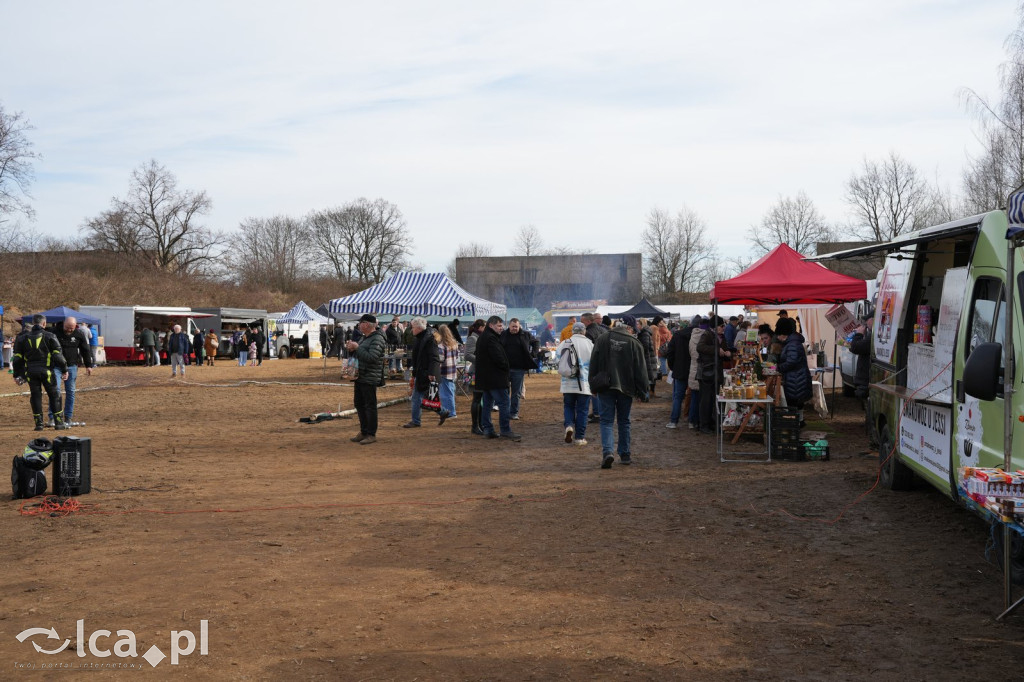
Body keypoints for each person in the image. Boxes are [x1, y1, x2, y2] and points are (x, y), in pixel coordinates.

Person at [588, 315, 648, 468]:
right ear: (629, 327)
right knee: (624, 421)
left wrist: (592, 385)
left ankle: (608, 452)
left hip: (604, 386)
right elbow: (641, 370)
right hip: (626, 387)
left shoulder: (602, 338)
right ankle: (625, 454)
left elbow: (593, 363)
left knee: (606, 421)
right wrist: (643, 392)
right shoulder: (634, 343)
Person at [12, 314, 68, 431]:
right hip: (47, 371)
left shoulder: (22, 338)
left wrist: (17, 375)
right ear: (44, 323)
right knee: (54, 395)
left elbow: (17, 359)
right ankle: (59, 423)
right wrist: (64, 369)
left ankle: (39, 424)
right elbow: (58, 356)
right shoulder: (50, 336)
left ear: (33, 323)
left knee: (35, 396)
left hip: (31, 373)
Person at [475, 315, 521, 441]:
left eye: (502, 325)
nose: (502, 328)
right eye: (499, 326)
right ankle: (505, 430)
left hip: (487, 379)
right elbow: (498, 358)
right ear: (491, 325)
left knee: (488, 405)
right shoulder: (491, 339)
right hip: (495, 378)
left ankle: (488, 429)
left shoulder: (484, 337)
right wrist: (506, 367)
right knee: (504, 403)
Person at [345, 314, 387, 445]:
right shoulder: (365, 338)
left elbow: (372, 358)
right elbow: (360, 354)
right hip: (360, 375)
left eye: (361, 323)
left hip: (369, 377)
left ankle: (371, 434)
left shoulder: (378, 339)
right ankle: (363, 431)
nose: (359, 325)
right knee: (359, 404)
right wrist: (352, 350)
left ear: (367, 324)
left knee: (369, 406)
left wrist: (357, 348)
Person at [403, 317, 446, 428]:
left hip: (426, 373)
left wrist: (431, 373)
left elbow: (434, 358)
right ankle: (442, 412)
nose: (411, 329)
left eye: (412, 327)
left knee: (418, 397)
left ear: (418, 328)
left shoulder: (429, 339)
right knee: (426, 397)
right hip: (423, 372)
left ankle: (416, 421)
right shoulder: (422, 337)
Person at [52, 316, 95, 427]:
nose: (70, 330)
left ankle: (68, 417)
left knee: (70, 392)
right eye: (67, 327)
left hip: (71, 366)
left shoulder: (79, 334)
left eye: (72, 328)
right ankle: (53, 417)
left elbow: (85, 350)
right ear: (64, 324)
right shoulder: (54, 332)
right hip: (56, 366)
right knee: (55, 391)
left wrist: (88, 365)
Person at [557, 322, 593, 446]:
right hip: (584, 384)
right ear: (584, 331)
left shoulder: (565, 343)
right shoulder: (589, 344)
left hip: (567, 382)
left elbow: (557, 359)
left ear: (572, 331)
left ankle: (569, 426)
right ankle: (580, 438)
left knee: (568, 406)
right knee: (583, 410)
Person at [696, 315, 731, 434]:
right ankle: (704, 425)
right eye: (722, 326)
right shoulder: (706, 334)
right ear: (715, 326)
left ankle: (712, 423)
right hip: (706, 373)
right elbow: (700, 347)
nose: (723, 328)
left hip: (716, 372)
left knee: (714, 399)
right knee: (705, 400)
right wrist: (717, 350)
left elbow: (723, 351)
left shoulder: (721, 337)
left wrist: (727, 353)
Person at [665, 315, 699, 429]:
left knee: (678, 397)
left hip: (680, 369)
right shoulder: (699, 336)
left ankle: (674, 421)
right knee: (694, 395)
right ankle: (692, 422)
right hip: (694, 370)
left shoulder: (678, 335)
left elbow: (670, 352)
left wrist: (673, 367)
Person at [776, 317, 812, 421]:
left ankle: (796, 424)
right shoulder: (793, 342)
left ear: (783, 334)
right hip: (797, 378)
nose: (778, 337)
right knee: (796, 404)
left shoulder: (792, 344)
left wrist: (779, 367)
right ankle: (799, 422)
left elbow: (792, 361)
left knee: (793, 403)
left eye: (779, 334)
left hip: (796, 379)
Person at [500, 318, 534, 421]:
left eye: (516, 326)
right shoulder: (503, 334)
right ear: (509, 326)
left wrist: (533, 354)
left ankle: (514, 413)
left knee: (516, 393)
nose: (515, 328)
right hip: (505, 368)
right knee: (504, 392)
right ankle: (505, 412)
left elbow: (536, 342)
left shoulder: (525, 334)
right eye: (513, 326)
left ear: (519, 326)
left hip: (519, 369)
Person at [464, 319, 487, 435]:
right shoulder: (473, 339)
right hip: (475, 373)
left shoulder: (480, 338)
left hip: (481, 372)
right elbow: (467, 355)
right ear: (480, 327)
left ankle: (480, 424)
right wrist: (483, 360)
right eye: (485, 327)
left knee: (481, 399)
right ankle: (475, 426)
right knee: (477, 399)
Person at [437, 324, 459, 418]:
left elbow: (440, 360)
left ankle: (450, 413)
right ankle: (450, 412)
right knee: (450, 392)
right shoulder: (454, 343)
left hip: (444, 371)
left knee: (445, 394)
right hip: (453, 371)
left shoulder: (441, 346)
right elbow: (457, 357)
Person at [636, 319, 658, 398]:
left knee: (646, 377)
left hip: (647, 358)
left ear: (642, 325)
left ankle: (645, 396)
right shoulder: (644, 333)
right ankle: (646, 395)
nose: (636, 326)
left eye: (638, 324)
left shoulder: (644, 333)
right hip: (648, 358)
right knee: (648, 376)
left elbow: (645, 346)